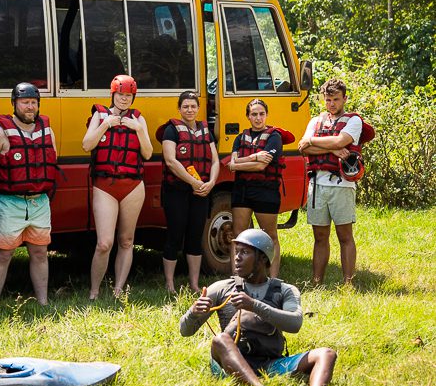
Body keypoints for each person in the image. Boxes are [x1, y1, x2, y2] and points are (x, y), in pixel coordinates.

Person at [179, 230, 337, 386]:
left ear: (262, 258)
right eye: (237, 251)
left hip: (270, 363)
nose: (237, 257)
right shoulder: (221, 288)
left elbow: (295, 323)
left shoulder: (284, 290)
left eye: (245, 252)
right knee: (220, 340)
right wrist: (193, 312)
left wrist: (254, 305)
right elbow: (184, 331)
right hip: (229, 364)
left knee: (326, 354)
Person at [0, 82, 58, 308]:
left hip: (39, 202)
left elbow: (52, 159)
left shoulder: (47, 130)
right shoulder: (0, 133)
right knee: (4, 254)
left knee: (40, 252)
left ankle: (43, 302)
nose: (30, 107)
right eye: (25, 102)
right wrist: (1, 187)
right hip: (9, 202)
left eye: (33, 102)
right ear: (14, 104)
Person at [82, 74, 153, 301]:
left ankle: (118, 290)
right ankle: (94, 292)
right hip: (105, 185)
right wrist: (105, 124)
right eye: (121, 95)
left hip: (133, 186)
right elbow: (86, 145)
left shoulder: (138, 119)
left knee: (126, 240)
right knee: (104, 243)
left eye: (129, 95)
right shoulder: (100, 115)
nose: (124, 99)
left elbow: (147, 153)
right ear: (113, 95)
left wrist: (138, 129)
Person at [298, 78, 373, 284]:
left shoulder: (353, 121)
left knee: (344, 236)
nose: (332, 104)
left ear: (345, 99)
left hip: (342, 185)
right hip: (317, 184)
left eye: (336, 99)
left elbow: (341, 140)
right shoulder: (315, 121)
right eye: (328, 99)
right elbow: (302, 148)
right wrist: (331, 149)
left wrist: (312, 140)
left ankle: (348, 283)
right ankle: (317, 282)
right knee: (320, 237)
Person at [158, 91, 220, 292]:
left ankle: (194, 284)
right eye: (185, 106)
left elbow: (215, 160)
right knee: (174, 235)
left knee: (195, 236)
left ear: (198, 108)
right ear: (179, 108)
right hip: (176, 191)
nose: (190, 110)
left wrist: (211, 183)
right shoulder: (171, 130)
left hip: (201, 192)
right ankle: (169, 284)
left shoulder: (206, 130)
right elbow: (170, 161)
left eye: (193, 106)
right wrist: (194, 182)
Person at [228, 98, 294, 278]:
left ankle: (272, 279)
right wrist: (255, 157)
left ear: (266, 115)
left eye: (261, 114)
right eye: (254, 114)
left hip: (266, 190)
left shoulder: (274, 137)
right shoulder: (240, 138)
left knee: (270, 235)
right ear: (248, 116)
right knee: (238, 235)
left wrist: (239, 163)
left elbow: (261, 166)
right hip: (242, 190)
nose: (258, 118)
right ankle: (237, 279)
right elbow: (231, 164)